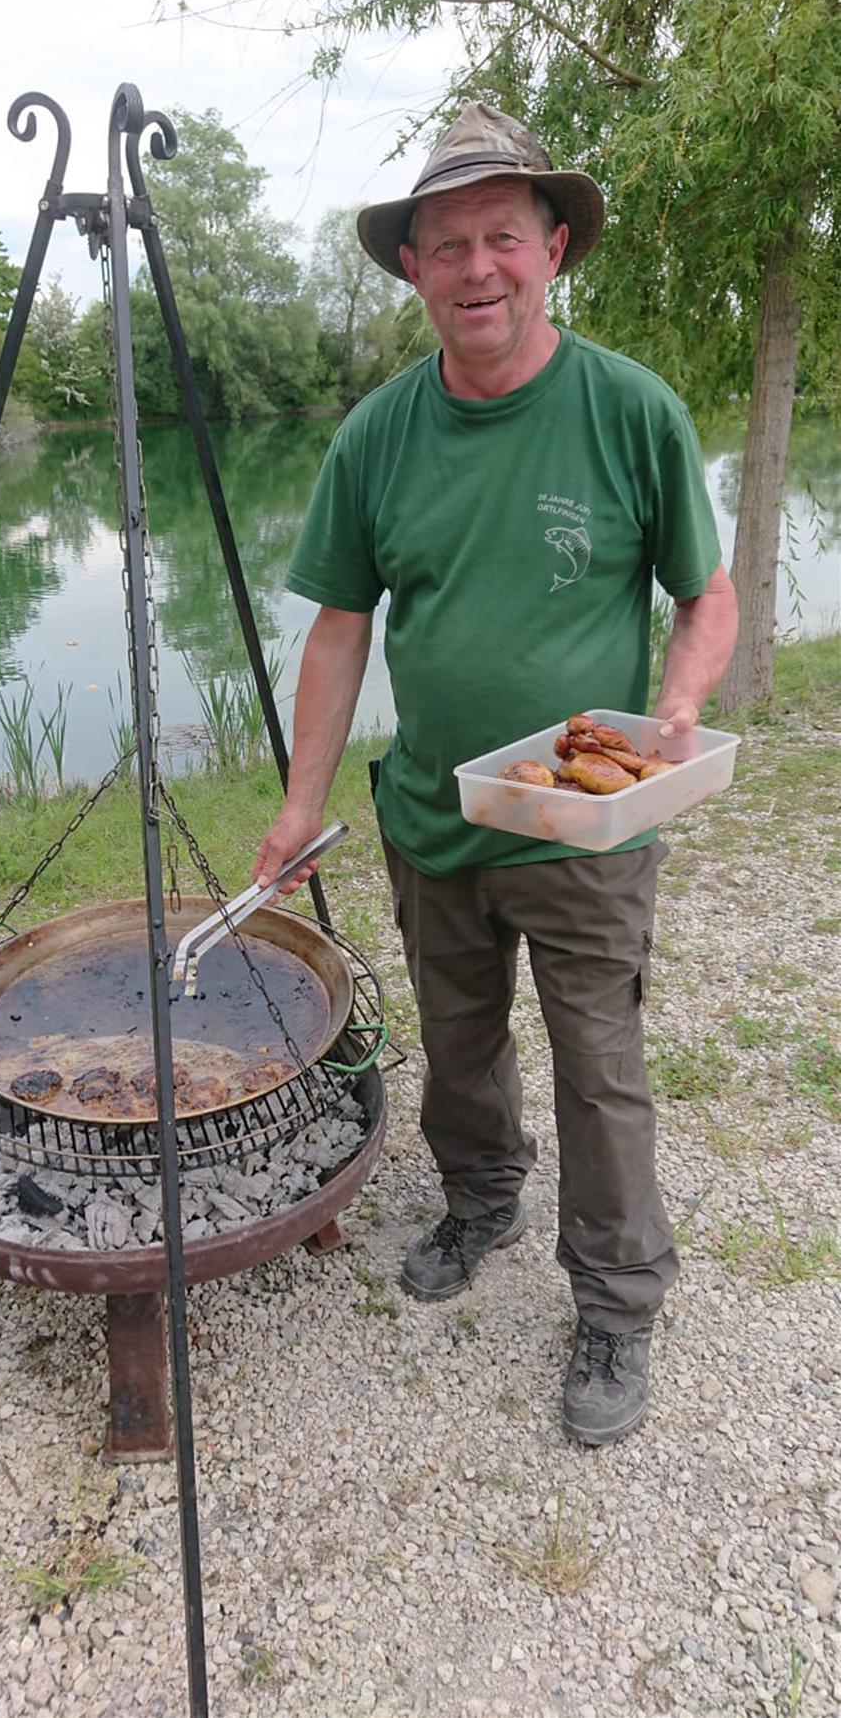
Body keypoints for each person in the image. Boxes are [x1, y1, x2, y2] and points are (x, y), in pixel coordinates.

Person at [253, 101, 738, 1446]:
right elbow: (342, 626)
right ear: (415, 268)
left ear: (555, 247)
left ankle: (619, 1300)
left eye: (504, 239)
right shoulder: (375, 439)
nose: (478, 269)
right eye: (449, 244)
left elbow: (709, 599)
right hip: (431, 814)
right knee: (459, 1046)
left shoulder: (630, 409)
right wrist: (301, 804)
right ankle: (478, 1200)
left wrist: (682, 704)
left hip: (585, 818)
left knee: (599, 1062)